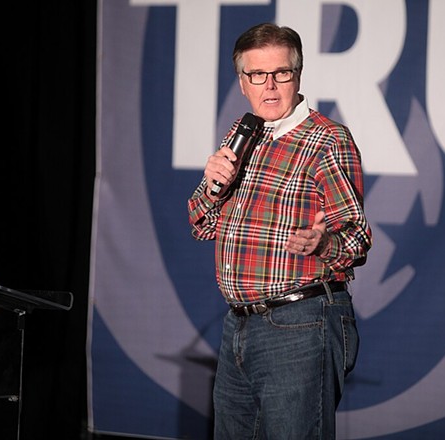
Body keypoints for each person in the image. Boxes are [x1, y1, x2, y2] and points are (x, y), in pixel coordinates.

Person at [188, 22, 372, 439]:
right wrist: (214, 184)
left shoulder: (326, 140)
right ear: (242, 81)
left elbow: (356, 236)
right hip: (239, 325)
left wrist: (323, 243)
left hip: (300, 322)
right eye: (257, 75)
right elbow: (203, 225)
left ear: (298, 75)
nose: (269, 86)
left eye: (281, 73)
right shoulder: (244, 133)